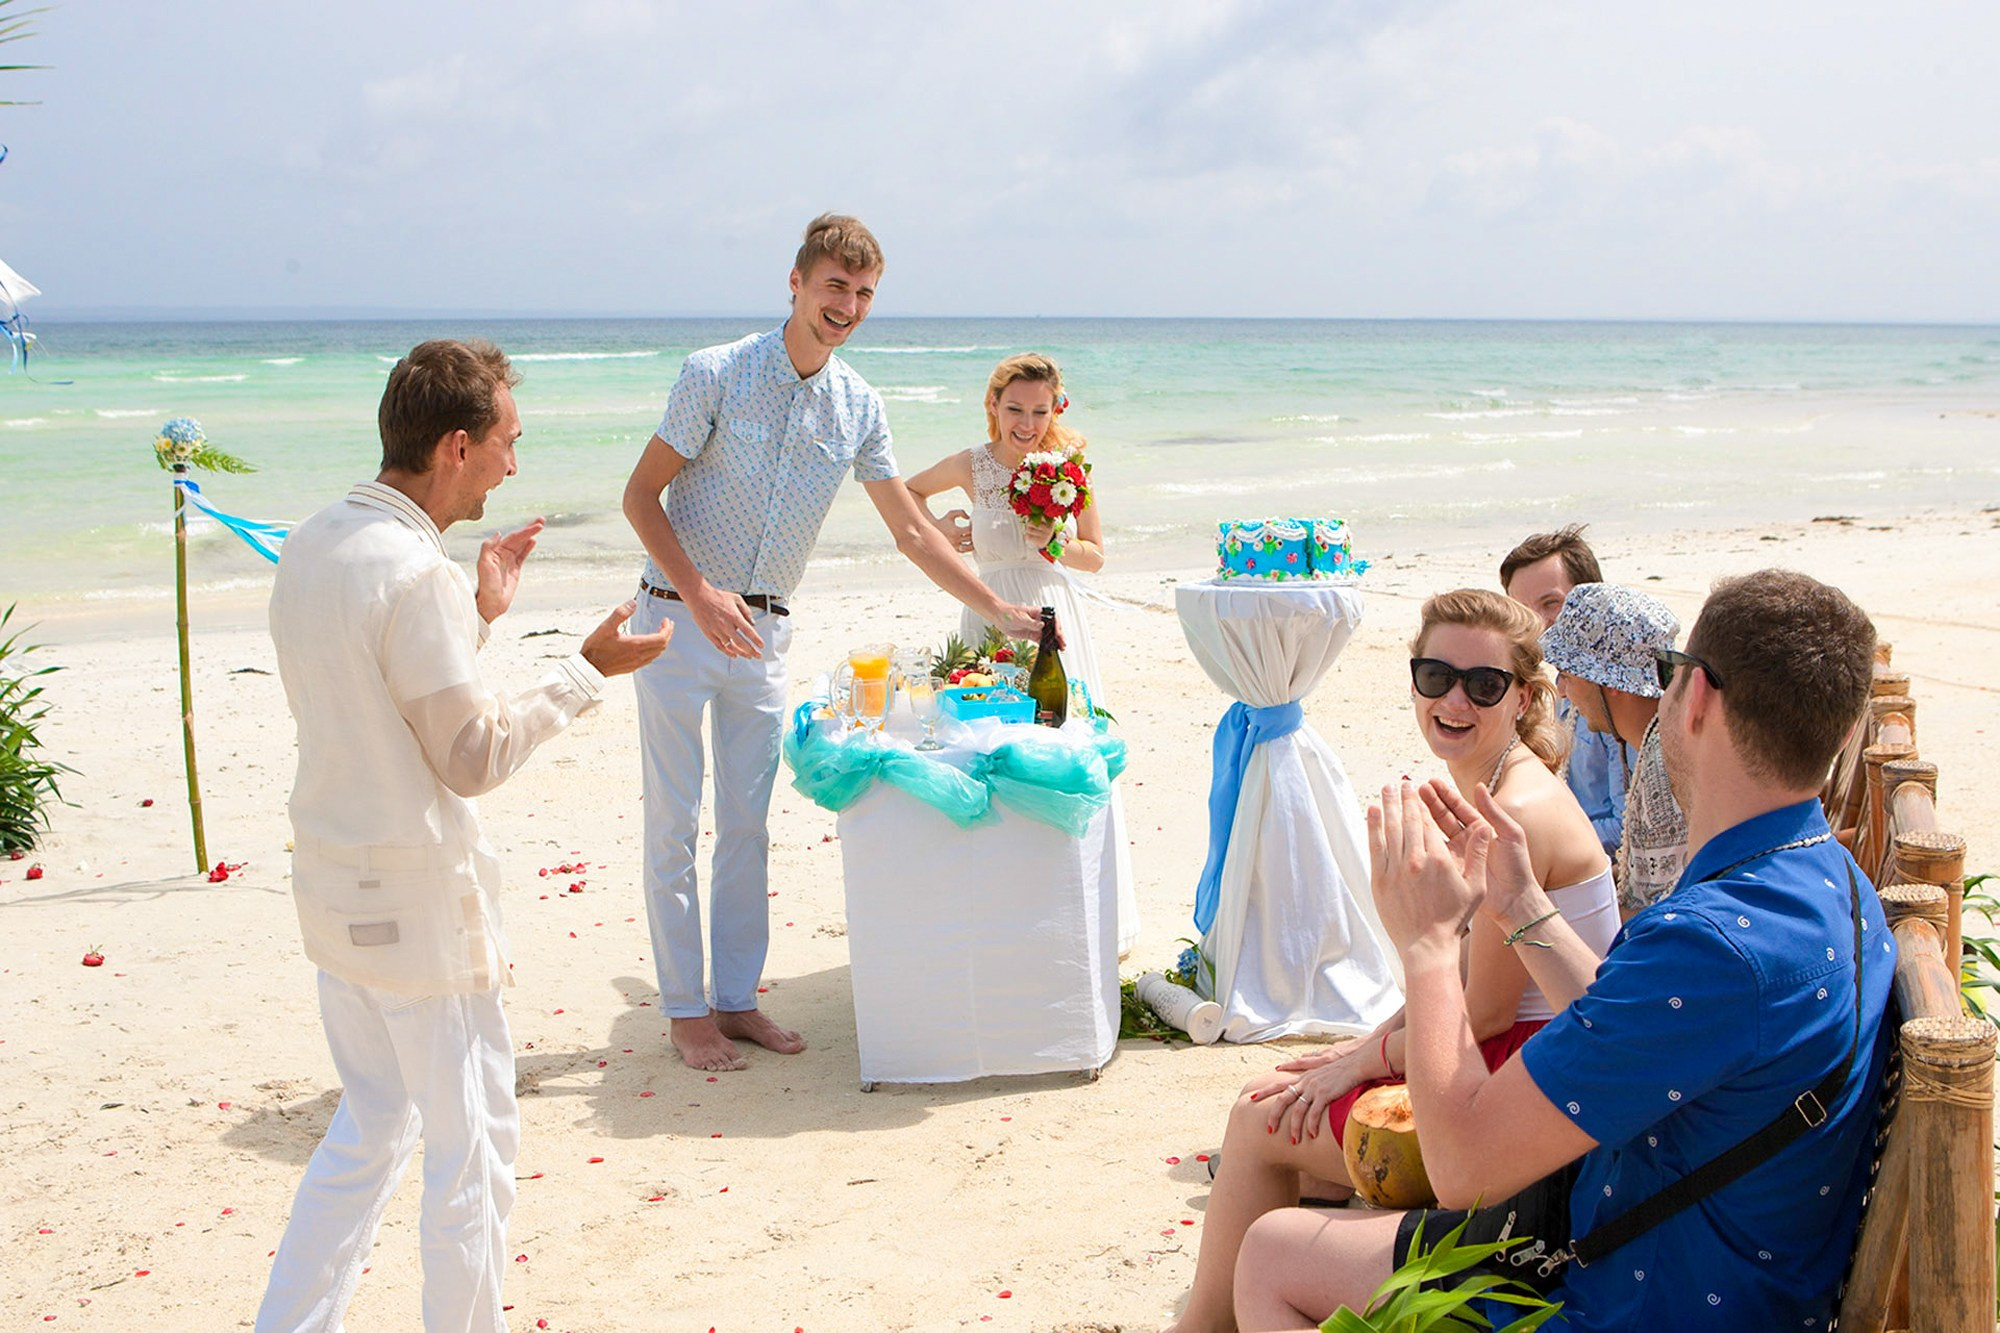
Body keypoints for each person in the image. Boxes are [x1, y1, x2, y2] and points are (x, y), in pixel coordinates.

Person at [1233, 570, 1891, 1332]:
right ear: (1842, 733)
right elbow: (1637, 1024)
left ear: (1698, 695)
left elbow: (1461, 1169)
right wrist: (1521, 905)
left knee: (1271, 1259)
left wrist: (1428, 945)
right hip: (1740, 1269)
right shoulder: (1829, 878)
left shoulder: (1711, 943)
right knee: (1283, 1245)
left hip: (1633, 1297)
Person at [259, 339, 669, 1332]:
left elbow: (380, 694)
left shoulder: (318, 539)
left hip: (333, 890)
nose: (513, 465)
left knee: (367, 1131)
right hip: (419, 919)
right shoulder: (412, 572)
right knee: (470, 1160)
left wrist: (478, 616)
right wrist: (582, 672)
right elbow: (470, 757)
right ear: (455, 445)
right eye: (506, 442)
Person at [621, 214, 1041, 1073]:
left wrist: (997, 607)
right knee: (673, 823)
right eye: (833, 288)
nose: (846, 306)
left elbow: (914, 532)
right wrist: (699, 592)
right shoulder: (715, 375)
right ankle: (682, 1009)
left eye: (862, 294)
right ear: (796, 283)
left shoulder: (859, 405)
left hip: (765, 632)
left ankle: (735, 1000)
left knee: (746, 826)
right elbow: (639, 497)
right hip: (672, 617)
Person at [1163, 589, 1616, 1333]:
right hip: (1515, 1059)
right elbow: (1462, 979)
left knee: (1257, 1117)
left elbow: (1485, 1011)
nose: (1454, 698)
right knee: (1290, 1103)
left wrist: (1363, 1058)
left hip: (1523, 1083)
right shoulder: (1495, 781)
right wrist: (1364, 1049)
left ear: (1525, 696)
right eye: (1435, 676)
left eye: (1484, 684)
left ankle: (1204, 1325)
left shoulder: (1520, 812)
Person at [902, 352, 1138, 955]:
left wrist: (1054, 539)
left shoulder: (1070, 470)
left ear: (1053, 408)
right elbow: (905, 497)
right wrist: (948, 530)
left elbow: (1096, 555)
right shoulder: (971, 466)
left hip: (1054, 615)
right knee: (985, 747)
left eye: (1038, 410)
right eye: (1014, 409)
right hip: (987, 612)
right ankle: (999, 902)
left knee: (1060, 745)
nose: (1026, 423)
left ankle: (1070, 898)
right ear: (993, 407)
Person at [1540, 582, 1689, 917]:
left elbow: (1657, 914)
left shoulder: (1664, 768)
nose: (1562, 691)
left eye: (1567, 675)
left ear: (1610, 684)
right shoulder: (1663, 740)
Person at [1500, 526, 1629, 860]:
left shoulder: (1614, 695)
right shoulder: (1556, 686)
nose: (1538, 624)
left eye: (1551, 603)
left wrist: (1540, 842)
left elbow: (1625, 825)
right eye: (1524, 611)